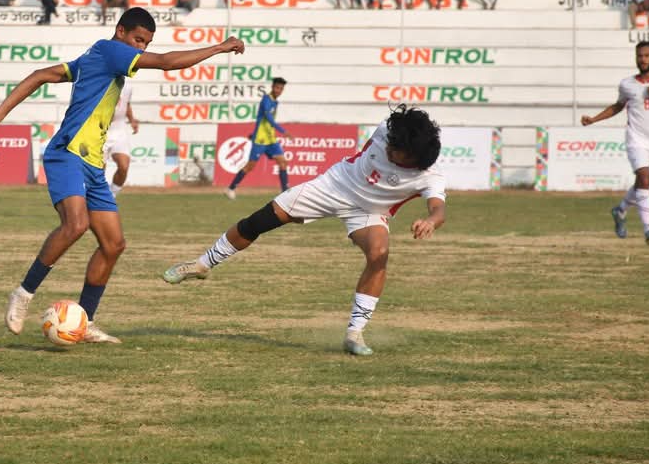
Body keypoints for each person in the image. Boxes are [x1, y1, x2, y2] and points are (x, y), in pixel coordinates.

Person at [0, 7, 245, 343]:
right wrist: (219, 47)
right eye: (138, 40)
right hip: (67, 153)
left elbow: (42, 74)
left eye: (146, 42)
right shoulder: (112, 50)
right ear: (121, 32)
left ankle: (84, 322)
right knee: (76, 224)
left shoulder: (97, 55)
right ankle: (23, 294)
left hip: (92, 163)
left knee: (113, 245)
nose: (141, 48)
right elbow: (167, 63)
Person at [164, 104, 446, 357]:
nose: (387, 147)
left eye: (394, 151)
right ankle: (200, 265)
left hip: (369, 212)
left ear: (412, 158)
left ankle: (354, 333)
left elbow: (438, 209)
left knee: (379, 254)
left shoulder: (427, 176)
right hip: (333, 186)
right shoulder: (390, 131)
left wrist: (431, 221)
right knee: (258, 222)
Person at [581, 41, 649, 245]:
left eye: (647, 56)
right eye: (640, 56)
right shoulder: (627, 84)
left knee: (642, 184)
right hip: (636, 139)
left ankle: (620, 211)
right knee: (643, 177)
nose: (643, 59)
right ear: (636, 58)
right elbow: (617, 106)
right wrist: (593, 119)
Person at [226, 78, 291, 200]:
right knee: (250, 166)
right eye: (277, 87)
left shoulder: (276, 102)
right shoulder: (266, 100)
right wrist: (283, 131)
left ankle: (285, 192)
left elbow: (267, 121)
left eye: (281, 88)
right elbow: (267, 117)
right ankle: (231, 188)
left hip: (271, 139)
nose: (279, 90)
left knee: (283, 162)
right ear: (272, 87)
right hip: (260, 140)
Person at [103, 77, 138, 197]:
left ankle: (112, 195)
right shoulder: (102, 82)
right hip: (101, 131)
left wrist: (132, 120)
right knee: (99, 171)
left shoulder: (127, 86)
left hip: (119, 130)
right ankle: (96, 198)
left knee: (124, 166)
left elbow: (127, 104)